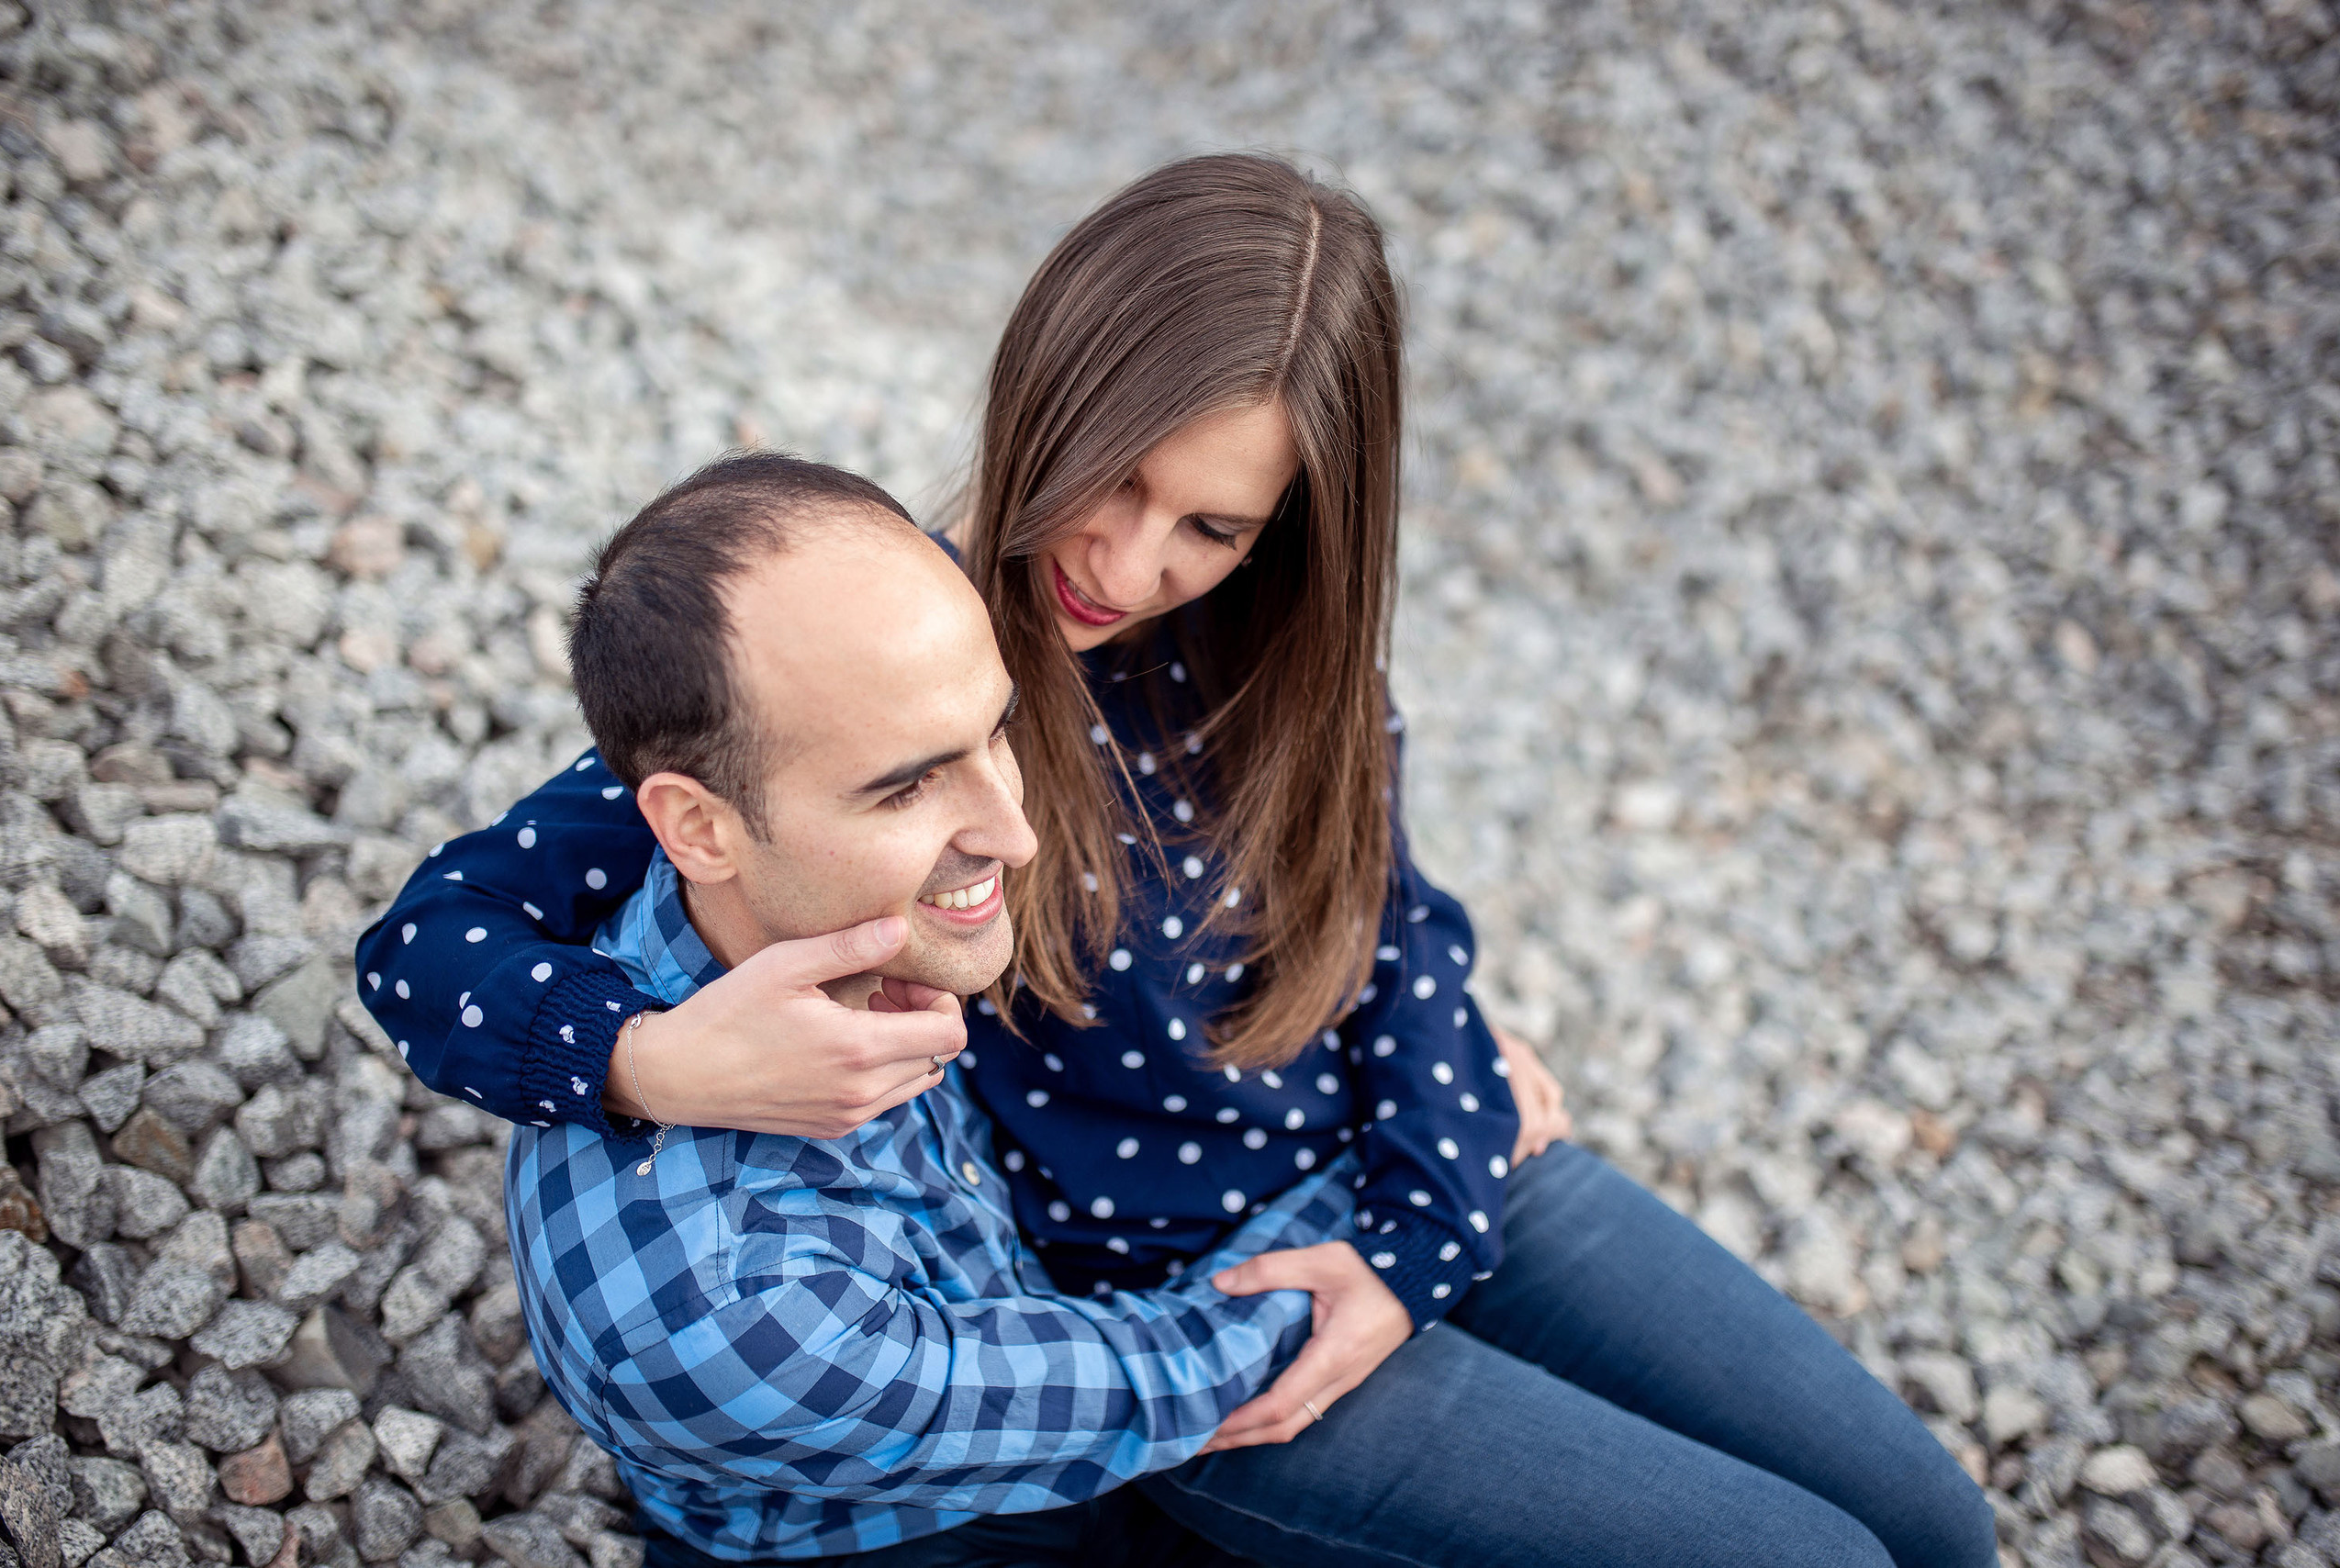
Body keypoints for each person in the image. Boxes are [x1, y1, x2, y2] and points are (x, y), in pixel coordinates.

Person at [363, 155, 1996, 1565]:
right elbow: (430, 940)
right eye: (1117, 476)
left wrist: (1412, 1235)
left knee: (1933, 1524)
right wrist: (651, 1058)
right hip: (1202, 1293)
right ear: (1047, 389)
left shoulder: (1291, 675)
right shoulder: (894, 665)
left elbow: (1399, 941)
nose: (1127, 563)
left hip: (1407, 1169)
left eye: (1212, 526)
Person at [494, 452, 1391, 1567]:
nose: (1014, 832)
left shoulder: (780, 905)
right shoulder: (737, 1306)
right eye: (907, 783)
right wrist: (1387, 1213)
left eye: (996, 733)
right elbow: (1143, 1385)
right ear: (696, 827)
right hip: (962, 1528)